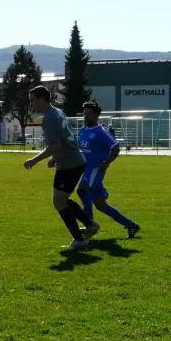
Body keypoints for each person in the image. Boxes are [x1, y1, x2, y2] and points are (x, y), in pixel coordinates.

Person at [24, 86, 99, 249]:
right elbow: (64, 141)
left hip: (69, 164)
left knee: (58, 202)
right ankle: (90, 225)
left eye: (32, 100)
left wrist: (34, 159)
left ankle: (79, 239)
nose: (31, 104)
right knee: (62, 200)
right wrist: (54, 158)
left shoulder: (49, 118)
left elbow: (55, 145)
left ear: (41, 99)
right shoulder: (57, 112)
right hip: (74, 160)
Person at [77, 101, 140, 239]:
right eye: (84, 114)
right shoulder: (83, 130)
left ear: (96, 115)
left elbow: (115, 147)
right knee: (101, 206)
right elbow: (79, 148)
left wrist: (107, 162)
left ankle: (89, 226)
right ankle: (131, 225)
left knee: (82, 190)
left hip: (95, 169)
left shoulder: (100, 132)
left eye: (88, 114)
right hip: (86, 169)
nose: (85, 117)